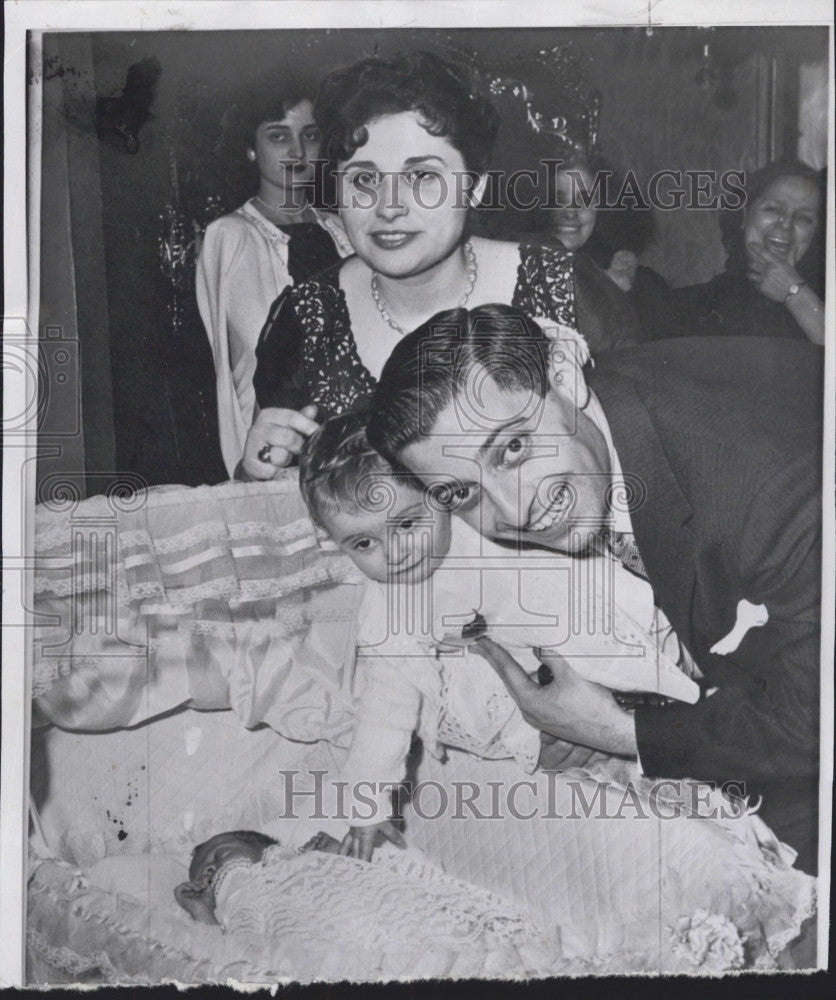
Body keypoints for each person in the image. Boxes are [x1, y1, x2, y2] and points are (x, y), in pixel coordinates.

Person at [366, 303, 823, 874]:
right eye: (463, 494)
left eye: (512, 449)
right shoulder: (604, 433)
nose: (515, 510)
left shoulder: (766, 490)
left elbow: (816, 716)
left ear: (563, 376)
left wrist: (616, 730)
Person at [299, 409, 700, 861]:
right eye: (363, 544)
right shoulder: (387, 606)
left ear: (439, 494)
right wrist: (365, 802)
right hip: (533, 705)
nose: (394, 554)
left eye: (407, 524)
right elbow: (385, 701)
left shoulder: (489, 525)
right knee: (629, 794)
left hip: (604, 638)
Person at [240, 50, 582, 481]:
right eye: (364, 179)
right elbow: (265, 482)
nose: (388, 208)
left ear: (474, 188)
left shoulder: (558, 287)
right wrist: (255, 469)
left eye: (422, 177)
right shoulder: (305, 318)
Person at [197, 72, 353, 477]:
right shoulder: (229, 237)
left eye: (311, 136)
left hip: (354, 450)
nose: (298, 152)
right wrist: (243, 471)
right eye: (279, 136)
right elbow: (225, 375)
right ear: (251, 148)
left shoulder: (347, 232)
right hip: (275, 458)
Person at [174, 828, 553, 978]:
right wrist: (203, 911)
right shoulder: (246, 897)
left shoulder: (307, 860)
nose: (210, 871)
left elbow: (408, 873)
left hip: (409, 921)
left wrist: (346, 857)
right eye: (203, 877)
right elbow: (236, 957)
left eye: (219, 855)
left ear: (268, 848)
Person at [670, 158, 826, 346]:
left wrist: (796, 294)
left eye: (803, 218)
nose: (785, 224)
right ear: (744, 215)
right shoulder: (691, 306)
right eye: (773, 209)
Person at [539, 147, 674, 344]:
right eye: (558, 200)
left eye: (584, 200)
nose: (570, 213)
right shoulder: (512, 267)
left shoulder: (644, 287)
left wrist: (612, 290)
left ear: (602, 208)